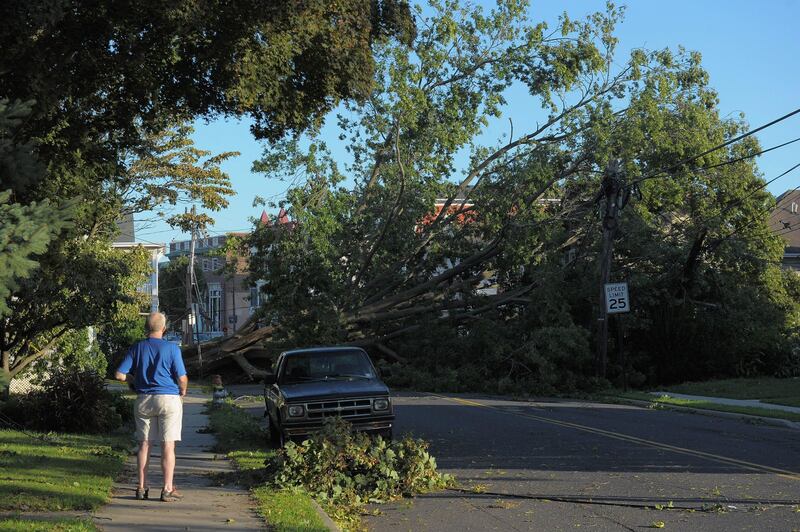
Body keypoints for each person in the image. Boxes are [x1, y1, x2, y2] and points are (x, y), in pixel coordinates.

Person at [115, 312, 188, 502]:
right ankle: (167, 489)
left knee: (144, 445)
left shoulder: (137, 348)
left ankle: (141, 487)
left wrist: (132, 379)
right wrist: (183, 391)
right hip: (168, 399)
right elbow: (181, 378)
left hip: (144, 399)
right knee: (168, 445)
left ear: (147, 328)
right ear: (164, 329)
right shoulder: (172, 349)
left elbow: (119, 375)